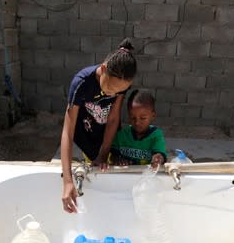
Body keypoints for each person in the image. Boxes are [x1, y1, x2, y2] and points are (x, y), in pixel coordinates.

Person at [61, 38, 137, 213]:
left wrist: (103, 154)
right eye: (110, 88)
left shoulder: (121, 85)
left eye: (118, 91)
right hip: (88, 137)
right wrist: (67, 181)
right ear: (103, 69)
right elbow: (68, 131)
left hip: (108, 136)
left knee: (112, 184)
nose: (112, 93)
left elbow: (113, 119)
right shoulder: (81, 83)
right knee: (93, 184)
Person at [111, 89, 167, 168]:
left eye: (143, 118)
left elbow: (161, 155)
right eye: (132, 118)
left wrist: (158, 159)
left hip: (146, 176)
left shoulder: (156, 136)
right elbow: (112, 155)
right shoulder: (122, 135)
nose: (137, 123)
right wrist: (117, 159)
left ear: (153, 115)